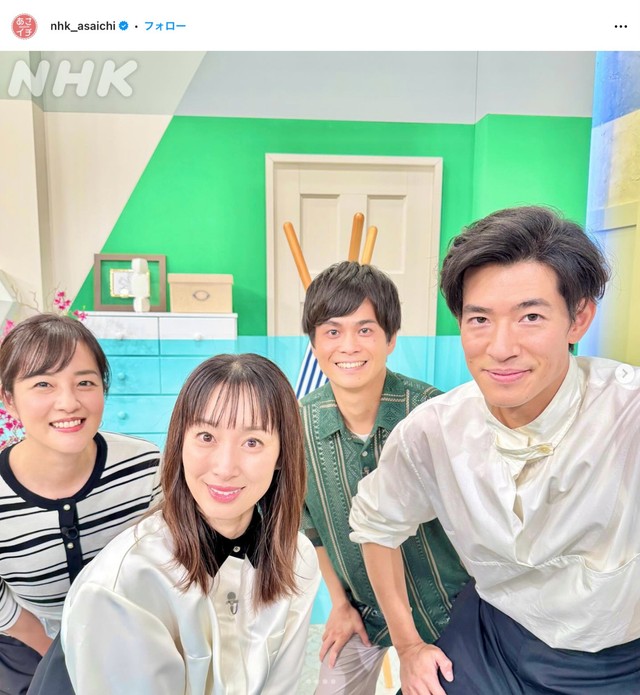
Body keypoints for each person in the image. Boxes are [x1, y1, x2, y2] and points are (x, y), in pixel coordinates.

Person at [349, 205, 640, 694]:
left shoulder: (627, 412)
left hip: (619, 656)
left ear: (578, 319)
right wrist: (408, 646)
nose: (501, 347)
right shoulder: (434, 431)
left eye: (530, 317)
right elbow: (376, 526)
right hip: (495, 633)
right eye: (480, 319)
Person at [61, 353, 321, 694]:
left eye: (252, 442)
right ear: (180, 442)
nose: (225, 468)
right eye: (206, 437)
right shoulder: (126, 582)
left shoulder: (297, 558)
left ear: (281, 455)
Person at [300, 262, 469, 694]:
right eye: (332, 331)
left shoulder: (432, 413)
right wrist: (339, 604)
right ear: (314, 342)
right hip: (362, 611)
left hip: (447, 608)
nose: (348, 346)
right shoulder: (296, 427)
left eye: (365, 330)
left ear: (391, 338)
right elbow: (310, 527)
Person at [0, 313, 161, 695]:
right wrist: (65, 657)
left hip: (130, 633)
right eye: (43, 384)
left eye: (85, 382)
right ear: (9, 399)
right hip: (30, 640)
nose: (68, 403)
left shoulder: (145, 466)